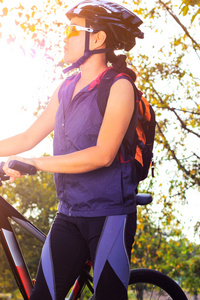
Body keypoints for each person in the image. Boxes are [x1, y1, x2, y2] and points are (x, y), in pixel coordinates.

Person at [1, 1, 144, 299]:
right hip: (68, 213)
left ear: (99, 38)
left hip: (109, 215)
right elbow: (30, 136)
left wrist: (35, 164)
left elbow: (103, 154)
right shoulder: (65, 88)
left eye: (72, 30)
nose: (64, 37)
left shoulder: (119, 87)